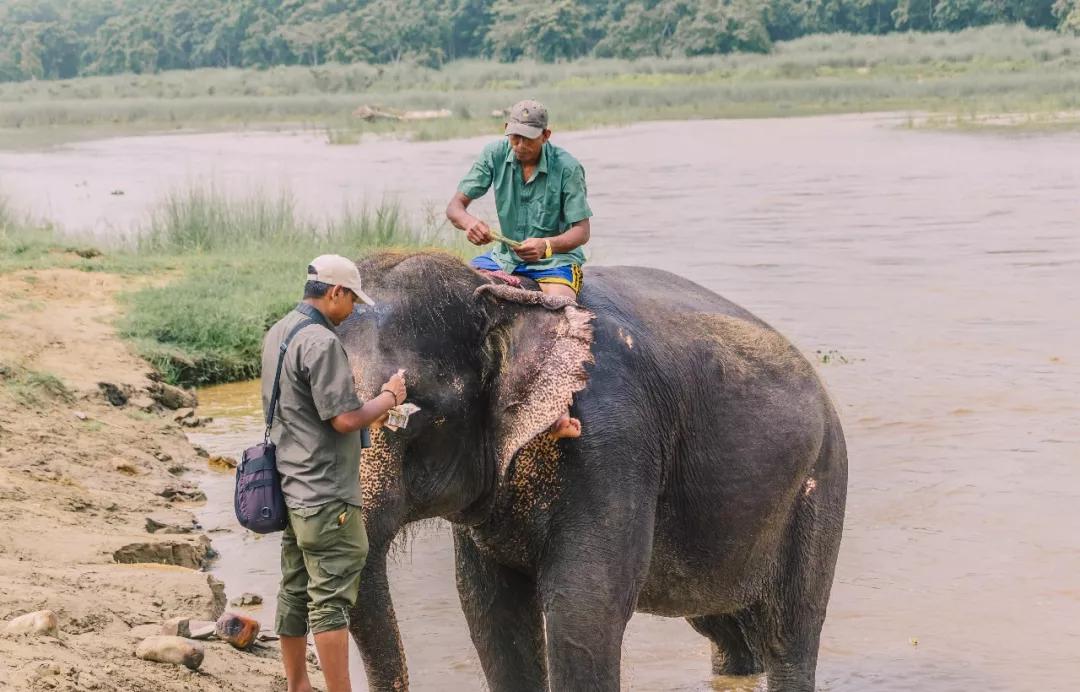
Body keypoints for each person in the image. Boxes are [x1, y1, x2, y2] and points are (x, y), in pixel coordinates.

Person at [261, 254, 406, 692]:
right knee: (331, 602)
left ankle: (298, 685)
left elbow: (301, 410)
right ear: (335, 292)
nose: (354, 311)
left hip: (292, 486)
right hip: (328, 495)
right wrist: (388, 398)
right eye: (352, 301)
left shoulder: (279, 332)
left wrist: (363, 415)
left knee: (294, 589)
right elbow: (343, 420)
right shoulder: (321, 342)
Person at [446, 99, 592, 439]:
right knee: (462, 294)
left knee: (559, 313)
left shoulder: (567, 167)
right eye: (514, 137)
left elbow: (581, 232)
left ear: (546, 135)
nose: (520, 146)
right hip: (504, 256)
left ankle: (558, 410)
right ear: (506, 132)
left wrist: (547, 245)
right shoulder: (495, 154)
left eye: (527, 139)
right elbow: (455, 207)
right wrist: (470, 224)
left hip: (555, 260)